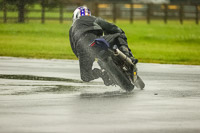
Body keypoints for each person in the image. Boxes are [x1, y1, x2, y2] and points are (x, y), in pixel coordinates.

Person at [69, 6, 136, 85]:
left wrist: (85, 58)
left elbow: (74, 48)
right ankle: (128, 56)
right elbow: (113, 28)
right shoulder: (92, 18)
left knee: (85, 76)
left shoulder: (72, 29)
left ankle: (102, 73)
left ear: (75, 16)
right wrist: (117, 32)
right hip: (97, 41)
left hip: (83, 50)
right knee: (119, 34)